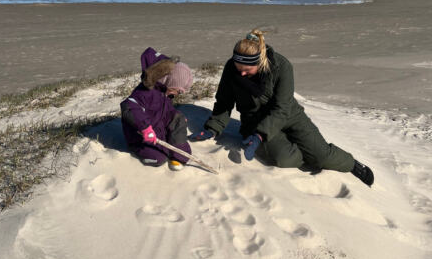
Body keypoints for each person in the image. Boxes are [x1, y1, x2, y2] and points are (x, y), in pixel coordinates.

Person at [191, 29, 375, 186]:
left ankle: (351, 164)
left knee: (322, 157)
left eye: (247, 69)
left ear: (260, 61)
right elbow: (224, 101)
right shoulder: (232, 68)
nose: (242, 73)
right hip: (254, 120)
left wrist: (260, 135)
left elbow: (282, 107)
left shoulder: (281, 66)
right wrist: (213, 129)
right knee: (285, 159)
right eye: (239, 68)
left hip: (289, 115)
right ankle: (304, 151)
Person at [120, 48, 194, 170]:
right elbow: (128, 106)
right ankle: (144, 150)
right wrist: (144, 128)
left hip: (158, 124)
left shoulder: (163, 90)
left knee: (178, 118)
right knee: (159, 157)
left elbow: (165, 109)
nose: (177, 94)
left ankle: (178, 153)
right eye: (178, 90)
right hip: (141, 134)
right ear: (169, 81)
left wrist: (174, 116)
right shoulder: (145, 93)